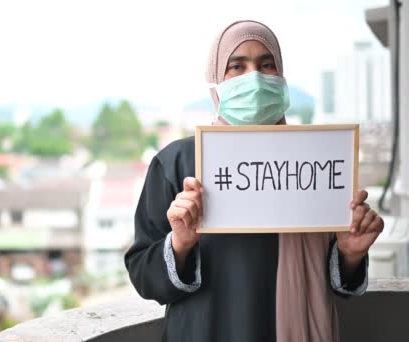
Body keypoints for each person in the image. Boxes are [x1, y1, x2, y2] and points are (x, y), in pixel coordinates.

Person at [124, 20, 384, 342]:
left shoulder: (315, 162)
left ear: (282, 77)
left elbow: (337, 281)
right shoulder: (178, 163)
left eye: (266, 64)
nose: (256, 78)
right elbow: (143, 276)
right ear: (216, 82)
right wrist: (180, 243)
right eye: (237, 66)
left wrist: (350, 253)